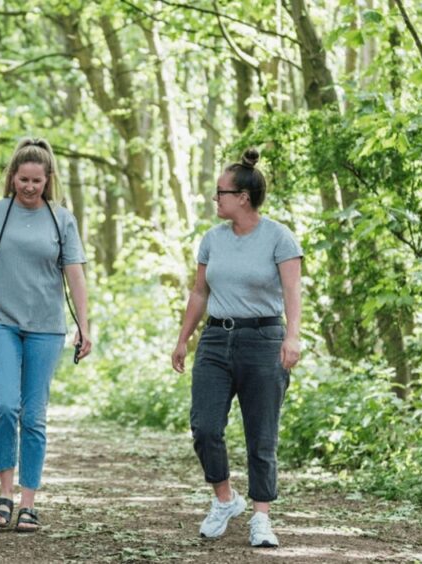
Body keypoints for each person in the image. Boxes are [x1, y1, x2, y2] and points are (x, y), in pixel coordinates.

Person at [0, 138, 92, 532]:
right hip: (0, 321)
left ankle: (29, 501)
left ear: (48, 180)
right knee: (4, 405)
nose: (30, 186)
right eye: (23, 179)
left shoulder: (61, 219)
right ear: (12, 178)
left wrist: (86, 326)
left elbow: (76, 276)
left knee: (33, 416)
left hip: (46, 328)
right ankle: (4, 493)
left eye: (37, 180)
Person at [171, 148, 302, 548]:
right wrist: (182, 339)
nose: (216, 199)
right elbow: (199, 292)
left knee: (261, 435)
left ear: (242, 197)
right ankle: (225, 499)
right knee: (204, 426)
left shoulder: (279, 237)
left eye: (221, 192)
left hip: (263, 340)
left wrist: (292, 336)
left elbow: (293, 290)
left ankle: (262, 516)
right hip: (214, 340)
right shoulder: (212, 239)